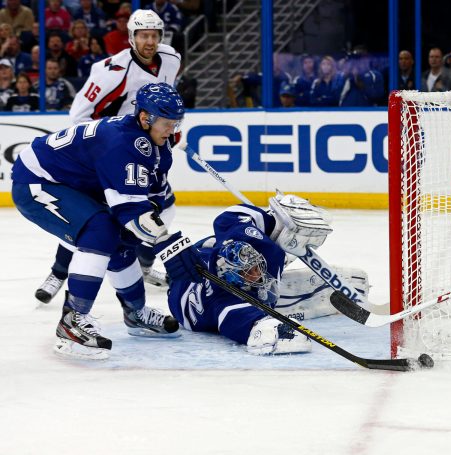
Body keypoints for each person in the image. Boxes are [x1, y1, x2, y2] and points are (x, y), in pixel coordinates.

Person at [11, 83, 194, 360]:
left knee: (120, 240)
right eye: (168, 123)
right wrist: (166, 242)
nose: (173, 130)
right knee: (100, 229)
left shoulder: (157, 144)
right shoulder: (123, 144)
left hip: (72, 183)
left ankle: (135, 313)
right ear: (146, 118)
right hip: (38, 181)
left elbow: (154, 201)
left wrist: (159, 235)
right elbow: (132, 212)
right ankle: (73, 320)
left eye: (176, 122)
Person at [36, 9, 181, 304]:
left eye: (154, 35)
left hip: (148, 145)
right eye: (143, 36)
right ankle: (58, 273)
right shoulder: (111, 71)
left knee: (161, 205)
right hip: (112, 151)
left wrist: (170, 130)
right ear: (131, 37)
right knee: (95, 214)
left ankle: (143, 264)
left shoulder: (171, 59)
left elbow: (169, 96)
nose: (149, 41)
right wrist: (107, 146)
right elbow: (78, 116)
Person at [165, 198, 368, 354]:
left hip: (203, 260)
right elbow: (254, 331)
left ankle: (267, 259)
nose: (257, 273)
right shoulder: (227, 305)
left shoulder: (240, 249)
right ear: (234, 276)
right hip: (191, 300)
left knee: (249, 254)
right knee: (263, 300)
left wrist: (273, 224)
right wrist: (275, 330)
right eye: (249, 271)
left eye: (256, 266)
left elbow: (229, 217)